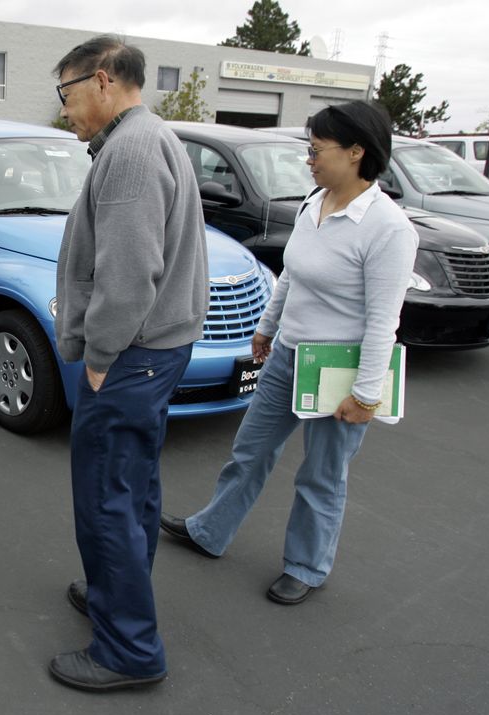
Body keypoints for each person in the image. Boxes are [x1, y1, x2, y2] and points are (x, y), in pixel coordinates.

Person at [160, 101, 417, 606]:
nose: (310, 160)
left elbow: (385, 321)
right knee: (249, 451)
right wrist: (265, 327)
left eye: (318, 150)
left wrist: (365, 396)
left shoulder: (388, 228)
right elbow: (293, 275)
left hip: (339, 369)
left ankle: (306, 565)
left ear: (357, 152)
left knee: (321, 474)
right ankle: (210, 530)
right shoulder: (313, 203)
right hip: (288, 356)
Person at [49, 35, 208, 692]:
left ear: (104, 80)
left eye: (66, 93)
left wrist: (101, 356)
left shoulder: (132, 154)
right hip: (156, 353)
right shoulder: (149, 140)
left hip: (131, 357)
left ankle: (129, 650)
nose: (64, 109)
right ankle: (120, 595)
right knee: (133, 484)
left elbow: (128, 272)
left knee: (106, 496)